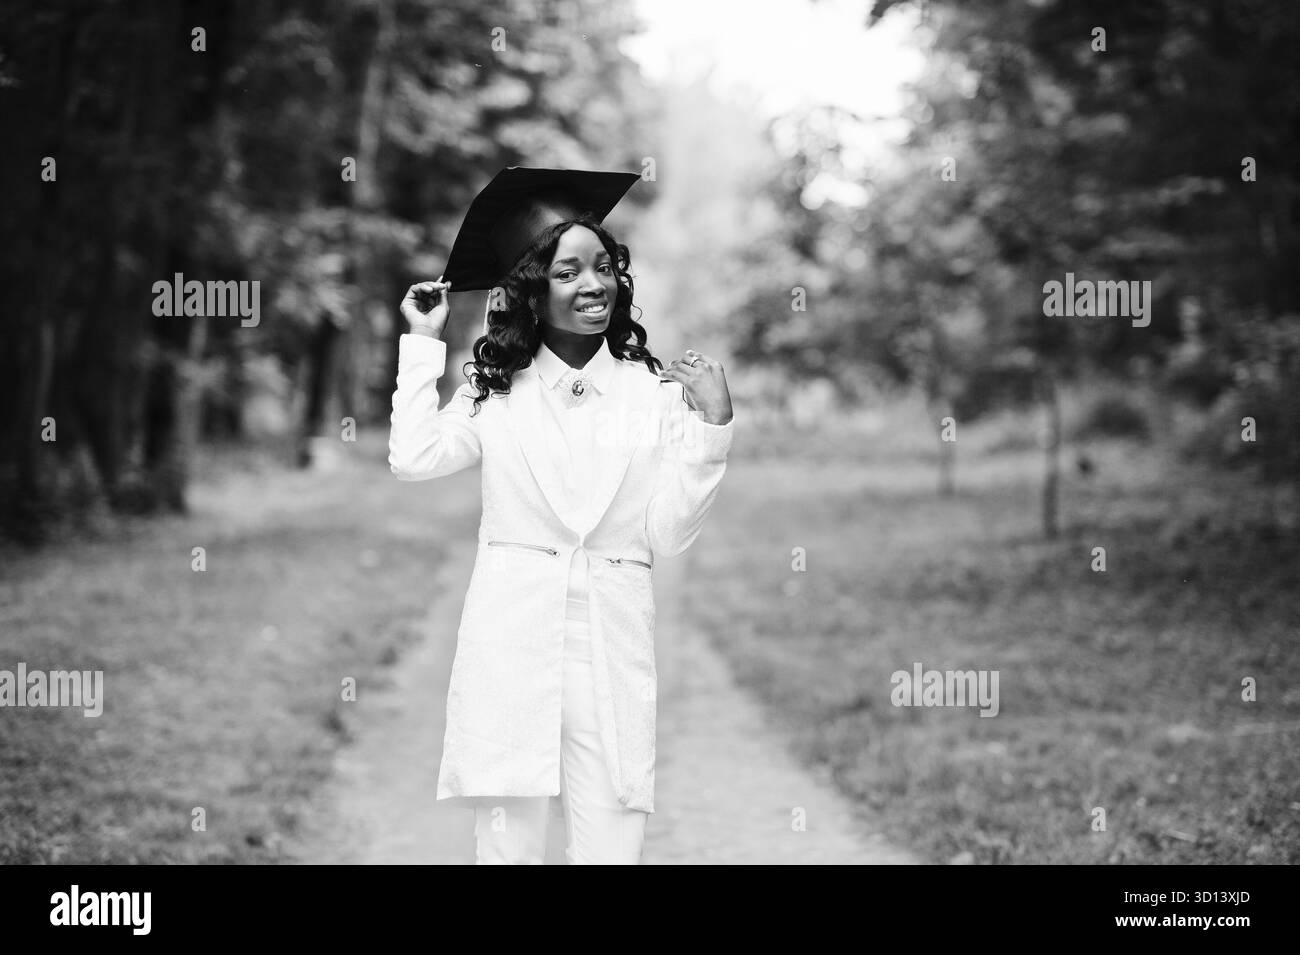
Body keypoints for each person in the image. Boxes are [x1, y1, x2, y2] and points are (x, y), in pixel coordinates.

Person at [388, 167, 734, 864]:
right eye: (569, 271)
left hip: (610, 646)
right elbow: (413, 455)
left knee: (611, 847)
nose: (594, 284)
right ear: (532, 289)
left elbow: (668, 533)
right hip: (513, 644)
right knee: (508, 847)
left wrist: (713, 427)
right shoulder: (494, 392)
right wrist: (425, 341)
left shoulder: (653, 394)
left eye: (604, 266)